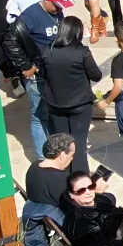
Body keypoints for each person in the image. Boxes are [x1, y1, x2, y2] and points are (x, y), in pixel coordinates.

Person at [40, 16, 102, 159]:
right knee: (78, 146)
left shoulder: (47, 51)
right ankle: (80, 178)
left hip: (55, 104)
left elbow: (43, 74)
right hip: (80, 104)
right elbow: (96, 75)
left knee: (63, 147)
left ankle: (64, 177)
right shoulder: (82, 52)